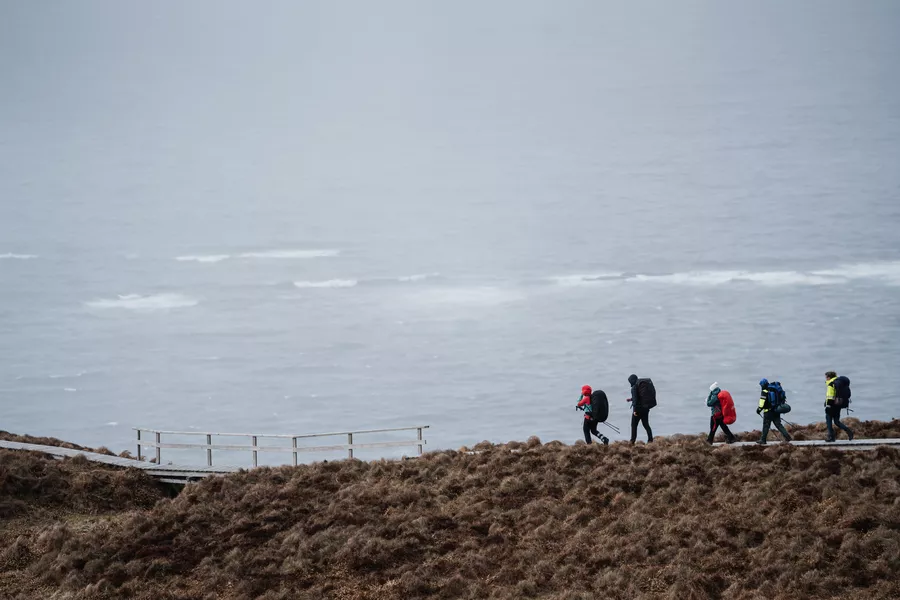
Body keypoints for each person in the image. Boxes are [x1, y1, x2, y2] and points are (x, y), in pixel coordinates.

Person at [756, 378, 792, 444]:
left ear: (763, 385)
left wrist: (759, 410)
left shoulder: (764, 391)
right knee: (778, 425)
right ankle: (787, 437)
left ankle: (763, 440)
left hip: (768, 412)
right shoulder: (773, 390)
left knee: (766, 426)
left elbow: (762, 403)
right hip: (776, 410)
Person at [825, 371, 854, 442]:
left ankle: (831, 436)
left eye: (826, 377)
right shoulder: (839, 382)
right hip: (839, 404)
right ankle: (848, 431)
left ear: (829, 377)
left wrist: (828, 405)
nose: (826, 379)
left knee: (828, 419)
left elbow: (830, 396)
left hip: (832, 405)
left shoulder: (831, 384)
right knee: (836, 421)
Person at [627, 374, 654, 444]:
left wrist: (634, 411)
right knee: (646, 425)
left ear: (632, 381)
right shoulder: (640, 386)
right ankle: (650, 440)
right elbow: (640, 397)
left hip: (638, 410)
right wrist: (631, 399)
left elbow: (635, 400)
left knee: (634, 425)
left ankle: (632, 441)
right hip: (645, 408)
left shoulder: (634, 387)